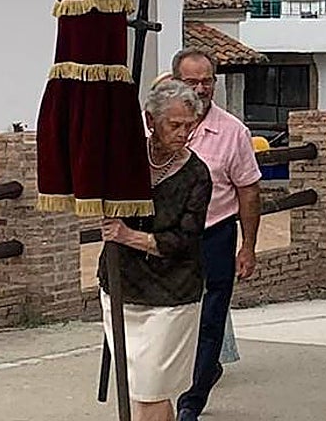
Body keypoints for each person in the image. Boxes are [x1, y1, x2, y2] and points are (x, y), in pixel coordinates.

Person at [100, 79, 212, 421]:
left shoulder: (197, 175)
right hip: (123, 287)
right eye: (173, 125)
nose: (182, 133)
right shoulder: (125, 158)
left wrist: (128, 236)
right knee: (143, 389)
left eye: (188, 126)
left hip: (172, 296)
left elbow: (185, 240)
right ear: (151, 121)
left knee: (151, 389)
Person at [172, 50, 261, 421]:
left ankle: (191, 402)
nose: (201, 88)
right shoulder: (156, 128)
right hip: (169, 240)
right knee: (174, 318)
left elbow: (248, 190)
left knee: (210, 319)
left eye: (207, 80)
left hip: (215, 235)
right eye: (191, 81)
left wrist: (249, 246)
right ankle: (189, 377)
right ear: (176, 82)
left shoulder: (232, 131)